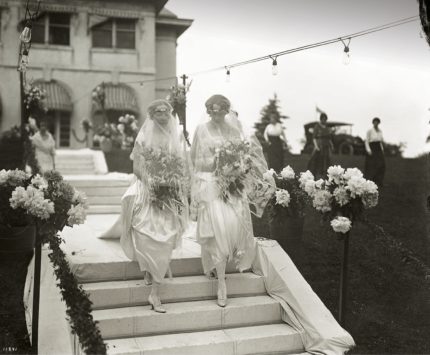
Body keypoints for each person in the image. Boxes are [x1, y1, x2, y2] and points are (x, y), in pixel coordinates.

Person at [191, 94, 270, 308]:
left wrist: (237, 167)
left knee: (232, 226)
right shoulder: (201, 130)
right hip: (210, 183)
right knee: (217, 229)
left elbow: (246, 156)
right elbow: (195, 160)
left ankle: (216, 265)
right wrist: (215, 161)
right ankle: (222, 284)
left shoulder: (235, 129)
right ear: (208, 111)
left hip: (232, 184)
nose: (216, 115)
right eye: (212, 111)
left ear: (227, 110)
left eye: (220, 111)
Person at [120, 99, 189, 313]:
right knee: (144, 232)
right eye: (158, 111)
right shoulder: (143, 136)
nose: (162, 115)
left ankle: (155, 293)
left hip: (168, 192)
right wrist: (152, 181)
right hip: (147, 189)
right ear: (152, 115)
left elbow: (181, 165)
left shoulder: (176, 137)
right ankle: (149, 269)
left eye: (166, 111)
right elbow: (136, 167)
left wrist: (172, 182)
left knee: (166, 237)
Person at [307, 113, 334, 179]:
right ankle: (315, 174)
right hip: (319, 146)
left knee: (327, 161)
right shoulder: (317, 126)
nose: (324, 121)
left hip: (326, 146)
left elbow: (329, 138)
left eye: (325, 119)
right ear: (321, 119)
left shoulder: (327, 128)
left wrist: (332, 145)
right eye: (323, 119)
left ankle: (326, 175)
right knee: (317, 161)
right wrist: (316, 146)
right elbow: (314, 138)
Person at [364, 117, 385, 187]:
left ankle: (379, 181)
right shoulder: (369, 131)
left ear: (379, 123)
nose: (376, 123)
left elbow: (381, 142)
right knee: (371, 165)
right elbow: (366, 141)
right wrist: (368, 150)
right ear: (373, 123)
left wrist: (382, 150)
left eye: (377, 122)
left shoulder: (380, 131)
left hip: (378, 148)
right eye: (375, 122)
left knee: (381, 164)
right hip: (372, 147)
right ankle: (370, 181)